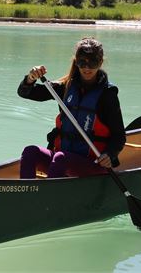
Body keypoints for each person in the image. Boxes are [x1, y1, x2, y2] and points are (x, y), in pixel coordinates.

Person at [17, 37, 126, 179]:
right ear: (76, 61)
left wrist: (109, 155)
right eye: (82, 62)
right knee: (30, 152)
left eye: (93, 62)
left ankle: (47, 198)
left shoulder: (107, 95)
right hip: (62, 160)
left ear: (100, 63)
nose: (87, 68)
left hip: (92, 164)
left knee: (61, 158)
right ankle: (27, 194)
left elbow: (119, 137)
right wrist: (30, 78)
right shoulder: (65, 87)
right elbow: (25, 92)